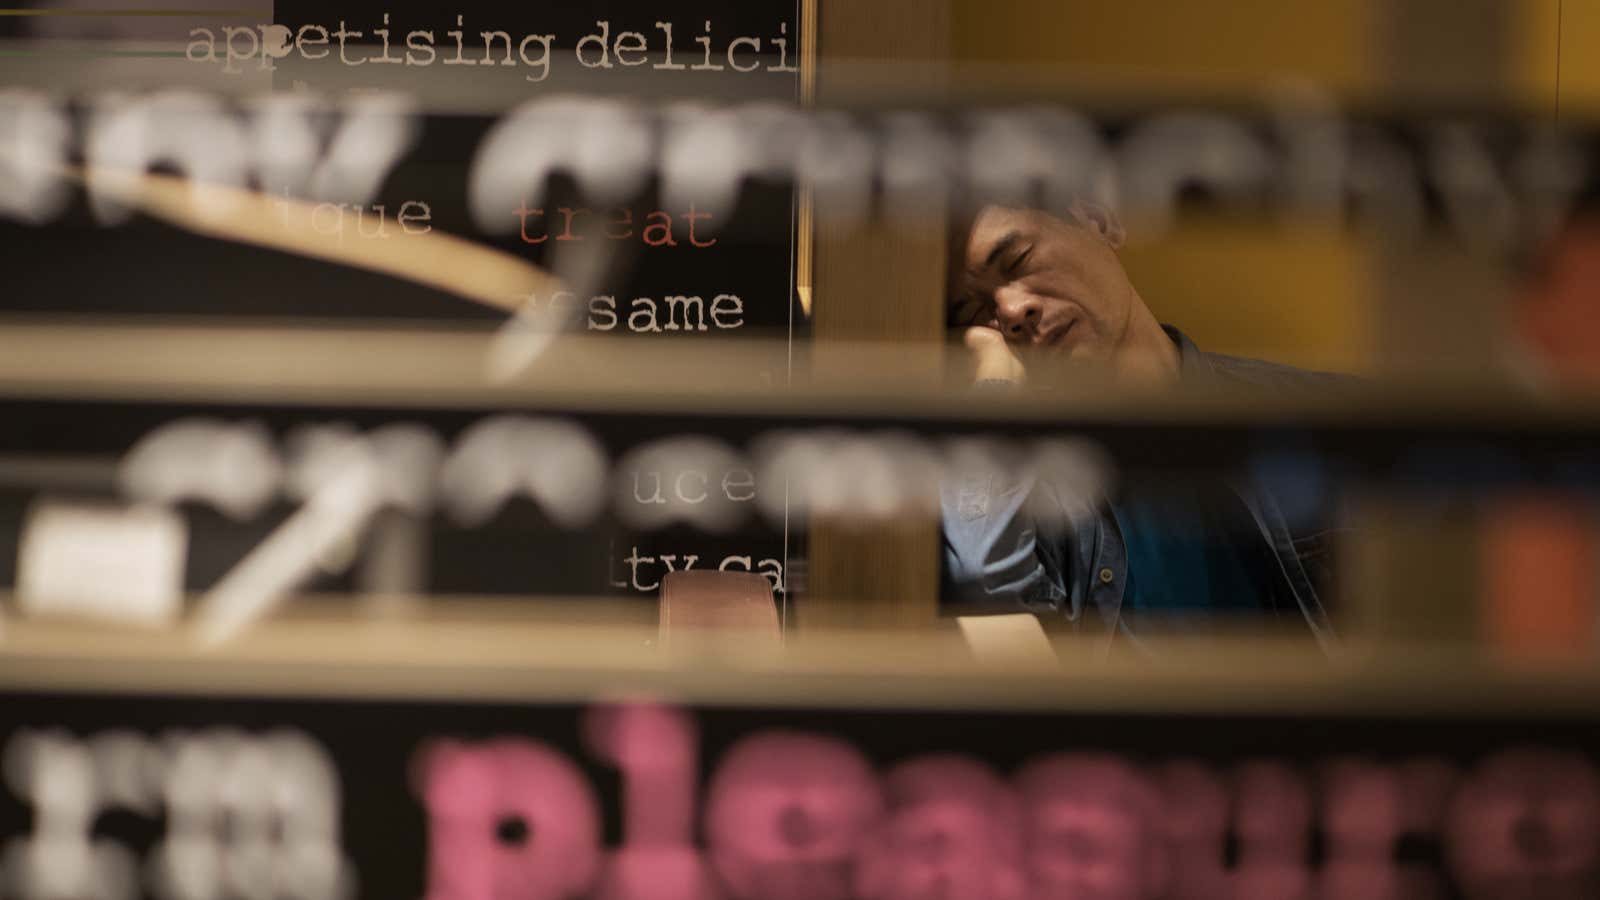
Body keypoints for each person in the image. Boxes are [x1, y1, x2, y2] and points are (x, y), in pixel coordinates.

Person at [943, 202, 1351, 650]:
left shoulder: (1312, 419)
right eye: (973, 311)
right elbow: (1000, 625)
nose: (1012, 309)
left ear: (1099, 219)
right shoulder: (1012, 493)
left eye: (1018, 260)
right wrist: (994, 391)